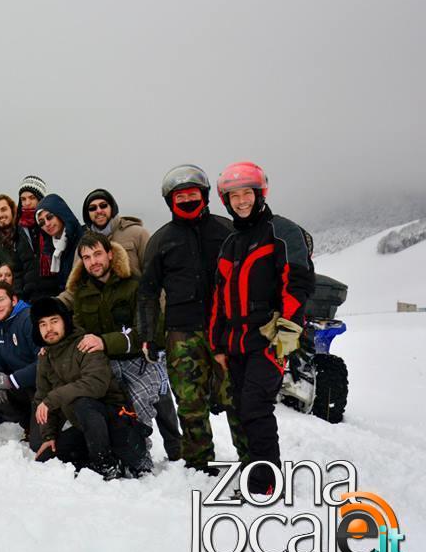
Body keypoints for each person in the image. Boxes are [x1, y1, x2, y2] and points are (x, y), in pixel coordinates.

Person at [211, 161, 315, 495]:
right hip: (236, 342)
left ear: (259, 194)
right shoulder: (231, 243)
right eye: (234, 196)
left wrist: (287, 333)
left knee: (256, 408)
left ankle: (265, 484)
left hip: (269, 338)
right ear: (226, 201)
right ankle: (255, 471)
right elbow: (219, 300)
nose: (241, 201)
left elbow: (297, 284)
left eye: (247, 194)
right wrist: (217, 344)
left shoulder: (283, 231)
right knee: (242, 410)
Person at [138, 164, 247, 477]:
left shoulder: (228, 230)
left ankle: (253, 461)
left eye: (192, 193)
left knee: (237, 399)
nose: (187, 199)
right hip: (181, 334)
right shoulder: (161, 241)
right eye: (180, 195)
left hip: (227, 331)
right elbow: (147, 293)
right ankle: (201, 466)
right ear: (170, 201)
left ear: (205, 195)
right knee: (189, 402)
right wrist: (149, 336)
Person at [64, 232, 182, 461]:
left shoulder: (134, 284)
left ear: (110, 254)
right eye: (86, 257)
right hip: (106, 362)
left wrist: (105, 341)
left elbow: (147, 330)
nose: (93, 261)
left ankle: (172, 447)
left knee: (155, 393)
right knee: (115, 409)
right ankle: (126, 451)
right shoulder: (82, 291)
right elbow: (78, 328)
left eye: (98, 254)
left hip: (140, 356)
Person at [31, 297, 151, 480]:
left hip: (116, 425)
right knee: (47, 457)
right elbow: (42, 396)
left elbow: (95, 385)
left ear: (65, 321)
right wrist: (49, 436)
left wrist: (53, 399)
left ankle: (107, 464)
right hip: (87, 430)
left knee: (82, 403)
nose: (49, 329)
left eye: (54, 321)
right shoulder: (45, 356)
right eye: (43, 324)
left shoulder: (85, 344)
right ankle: (94, 463)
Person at [0, 281, 41, 448]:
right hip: (22, 387)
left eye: (0, 300)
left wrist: (11, 380)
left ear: (13, 300)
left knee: (38, 446)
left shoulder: (28, 319)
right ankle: (27, 421)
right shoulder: (0, 326)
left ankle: (44, 425)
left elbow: (44, 364)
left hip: (42, 389)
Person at [80, 188, 150, 276]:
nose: (98, 211)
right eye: (92, 208)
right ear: (87, 214)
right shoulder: (82, 241)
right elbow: (76, 280)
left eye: (103, 205)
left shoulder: (138, 234)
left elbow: (154, 272)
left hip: (134, 289)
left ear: (112, 208)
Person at [13, 176, 58, 301]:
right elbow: (18, 268)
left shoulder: (52, 224)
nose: (27, 203)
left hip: (56, 293)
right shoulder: (19, 229)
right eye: (23, 199)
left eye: (32, 198)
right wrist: (19, 295)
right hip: (30, 296)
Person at [32, 193, 82, 296]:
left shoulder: (82, 239)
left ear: (61, 214)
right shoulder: (52, 249)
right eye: (41, 222)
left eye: (49, 217)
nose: (47, 224)